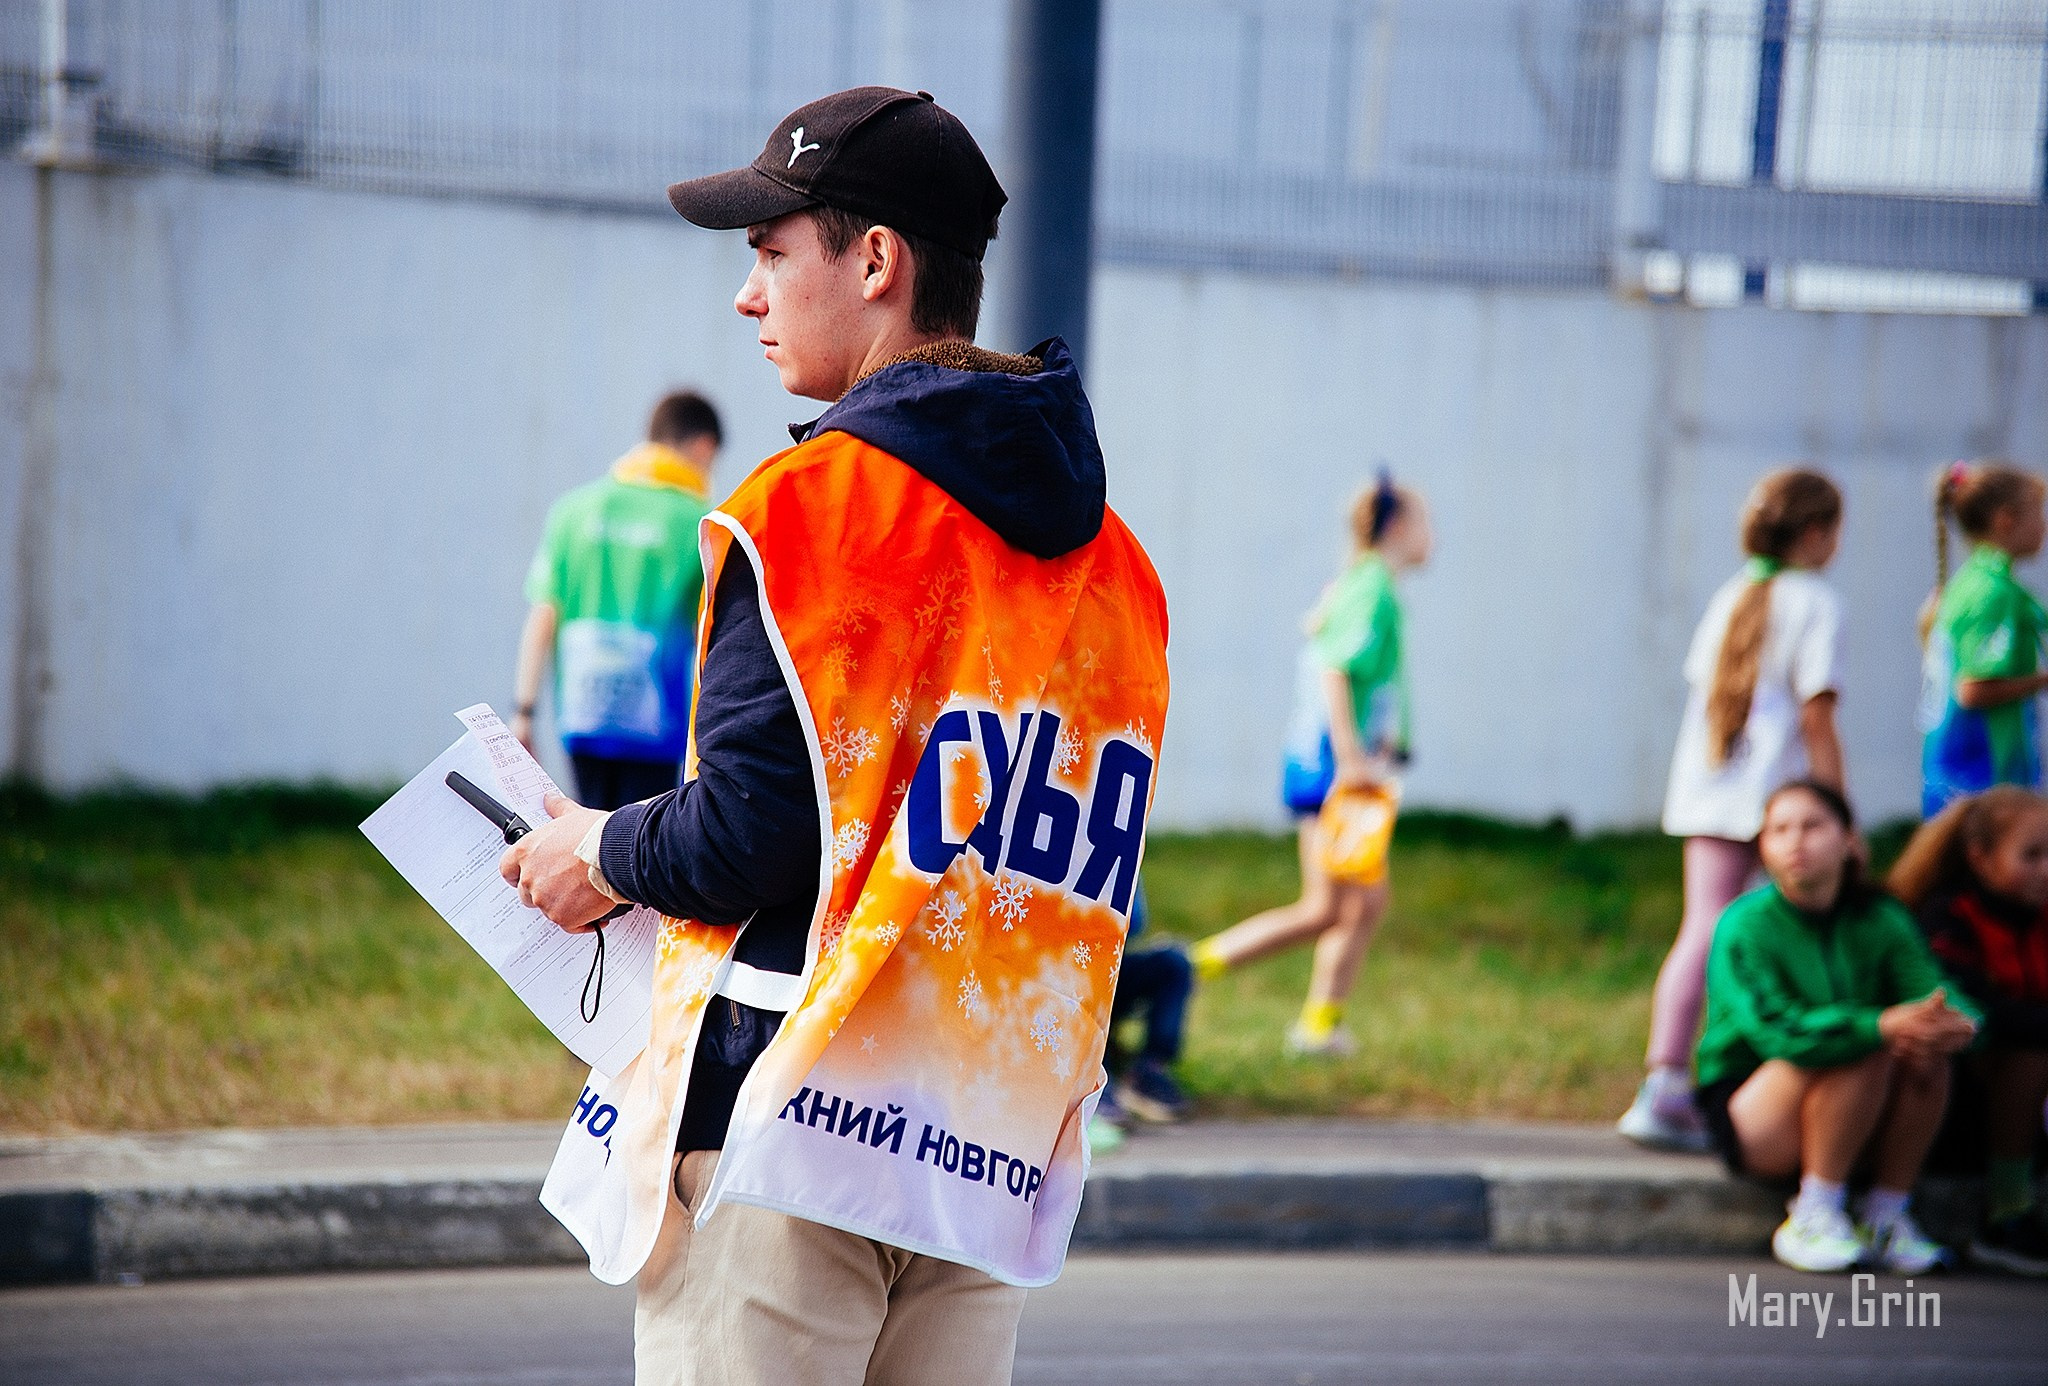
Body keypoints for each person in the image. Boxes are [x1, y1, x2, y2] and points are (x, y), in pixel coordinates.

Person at [499, 87, 1170, 1386]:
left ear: (875, 262)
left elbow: (747, 832)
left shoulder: (807, 512)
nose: (746, 296)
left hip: (782, 1138)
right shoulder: (1116, 566)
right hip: (980, 1158)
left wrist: (599, 848)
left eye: (769, 252)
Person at [1619, 469, 1846, 1152]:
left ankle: (1666, 1081)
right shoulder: (1815, 602)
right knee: (1789, 934)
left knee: (1704, 928)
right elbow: (1817, 716)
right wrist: (1836, 809)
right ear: (1816, 533)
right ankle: (1786, 1085)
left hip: (1711, 789)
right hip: (1778, 798)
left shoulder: (1733, 593)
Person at [1694, 780, 1980, 1275]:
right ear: (1763, 847)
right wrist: (1876, 1025)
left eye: (1812, 826)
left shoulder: (1881, 916)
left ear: (1849, 840)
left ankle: (1885, 1215)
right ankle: (1813, 1213)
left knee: (1922, 1049)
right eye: (1779, 830)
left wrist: (1956, 1023)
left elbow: (1931, 989)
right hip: (1758, 1109)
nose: (1795, 841)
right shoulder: (1744, 924)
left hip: (1858, 1108)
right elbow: (1774, 1030)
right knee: (1865, 1042)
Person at [1188, 473, 1430, 1057]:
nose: (1432, 536)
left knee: (1354, 904)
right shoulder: (1372, 589)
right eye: (1426, 522)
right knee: (1332, 906)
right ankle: (1184, 970)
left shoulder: (1366, 584)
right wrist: (1351, 757)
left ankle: (1319, 1023)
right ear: (1398, 526)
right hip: (1331, 769)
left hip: (1329, 765)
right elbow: (1335, 669)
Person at [512, 391, 722, 809]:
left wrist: (524, 711)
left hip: (582, 713)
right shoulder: (698, 521)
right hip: (657, 722)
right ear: (703, 447)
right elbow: (710, 630)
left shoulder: (572, 510)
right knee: (641, 840)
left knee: (585, 825)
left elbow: (544, 615)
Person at [1887, 786, 2048, 1275]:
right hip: (1953, 1104)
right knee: (2029, 1051)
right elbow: (1979, 1012)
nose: (2046, 869)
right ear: (1980, 858)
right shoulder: (1946, 918)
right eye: (2032, 855)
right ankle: (2006, 1213)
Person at [1919, 460, 2048, 818]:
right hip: (1980, 781)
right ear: (2006, 519)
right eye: (2038, 513)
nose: (2044, 526)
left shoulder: (1975, 583)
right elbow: (1972, 689)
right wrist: (2042, 680)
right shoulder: (1991, 592)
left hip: (1963, 782)